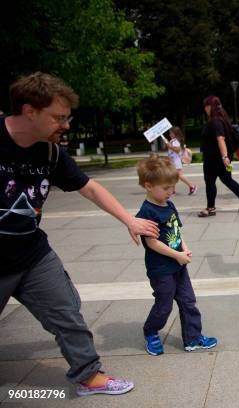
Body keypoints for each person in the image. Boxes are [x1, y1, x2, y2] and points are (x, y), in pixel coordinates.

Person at [0, 72, 159, 396]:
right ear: (30, 111)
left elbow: (89, 187)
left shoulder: (50, 153)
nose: (66, 125)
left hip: (32, 254)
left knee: (66, 310)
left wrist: (128, 219)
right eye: (58, 117)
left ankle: (89, 376)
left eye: (67, 117)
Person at [135, 155, 217, 355]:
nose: (171, 192)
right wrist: (176, 255)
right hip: (161, 269)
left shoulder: (169, 205)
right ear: (148, 185)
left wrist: (184, 249)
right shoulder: (147, 212)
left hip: (178, 264)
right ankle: (151, 331)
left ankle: (193, 338)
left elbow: (177, 230)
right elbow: (152, 242)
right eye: (166, 188)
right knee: (164, 305)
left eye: (172, 187)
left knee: (188, 301)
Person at [198, 95, 239, 217]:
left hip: (214, 158)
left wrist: (224, 157)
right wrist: (226, 157)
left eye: (206, 106)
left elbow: (220, 139)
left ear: (210, 106)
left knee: (210, 182)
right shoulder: (223, 119)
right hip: (223, 158)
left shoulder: (215, 120)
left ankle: (210, 208)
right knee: (228, 180)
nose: (205, 109)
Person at [163, 126, 197, 195]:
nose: (169, 134)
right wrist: (167, 143)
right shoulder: (173, 141)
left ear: (175, 134)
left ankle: (192, 186)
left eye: (171, 133)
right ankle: (173, 191)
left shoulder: (175, 141)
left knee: (179, 175)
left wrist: (169, 146)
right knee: (174, 176)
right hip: (174, 161)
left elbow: (177, 150)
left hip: (176, 161)